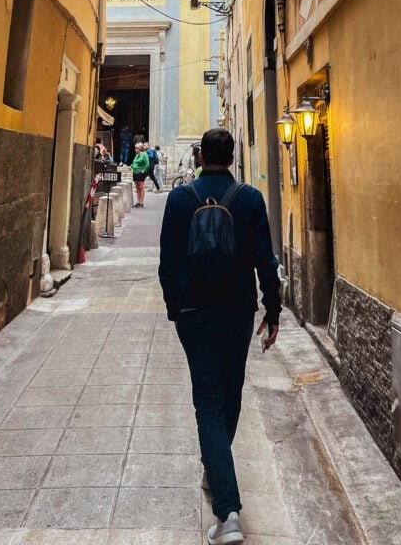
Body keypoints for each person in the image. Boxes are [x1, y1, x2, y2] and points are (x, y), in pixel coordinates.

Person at [158, 128, 281, 545]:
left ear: (198, 157)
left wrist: (177, 309)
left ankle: (226, 510)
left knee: (208, 402)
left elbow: (167, 264)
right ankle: (226, 501)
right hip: (237, 311)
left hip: (194, 312)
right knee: (230, 393)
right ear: (232, 156)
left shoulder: (178, 200)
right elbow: (266, 260)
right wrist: (274, 311)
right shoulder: (249, 199)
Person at [130, 142, 150, 207]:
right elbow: (134, 162)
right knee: (137, 188)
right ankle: (138, 202)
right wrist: (131, 166)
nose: (135, 149)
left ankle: (141, 202)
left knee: (141, 187)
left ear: (140, 148)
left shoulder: (144, 154)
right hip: (135, 172)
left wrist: (144, 171)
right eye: (135, 148)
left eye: (136, 148)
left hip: (140, 172)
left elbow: (147, 164)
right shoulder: (137, 155)